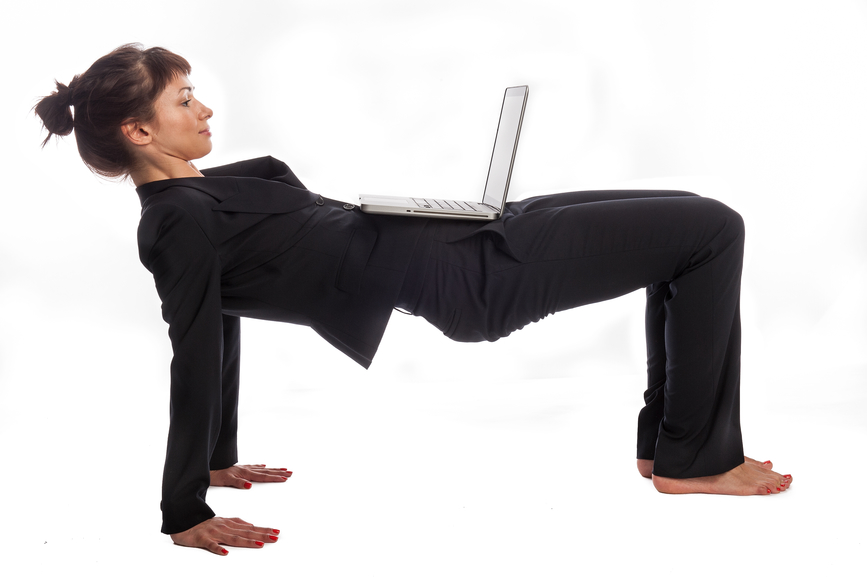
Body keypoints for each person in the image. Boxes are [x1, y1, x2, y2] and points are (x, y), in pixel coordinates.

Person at [35, 43, 792, 556]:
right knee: (712, 229)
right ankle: (691, 458)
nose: (203, 110)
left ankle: (669, 444)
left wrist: (220, 457)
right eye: (184, 100)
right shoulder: (176, 224)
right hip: (477, 280)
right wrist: (186, 506)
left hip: (463, 240)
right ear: (139, 129)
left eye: (195, 94)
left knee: (688, 209)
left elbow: (229, 306)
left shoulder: (197, 193)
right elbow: (197, 345)